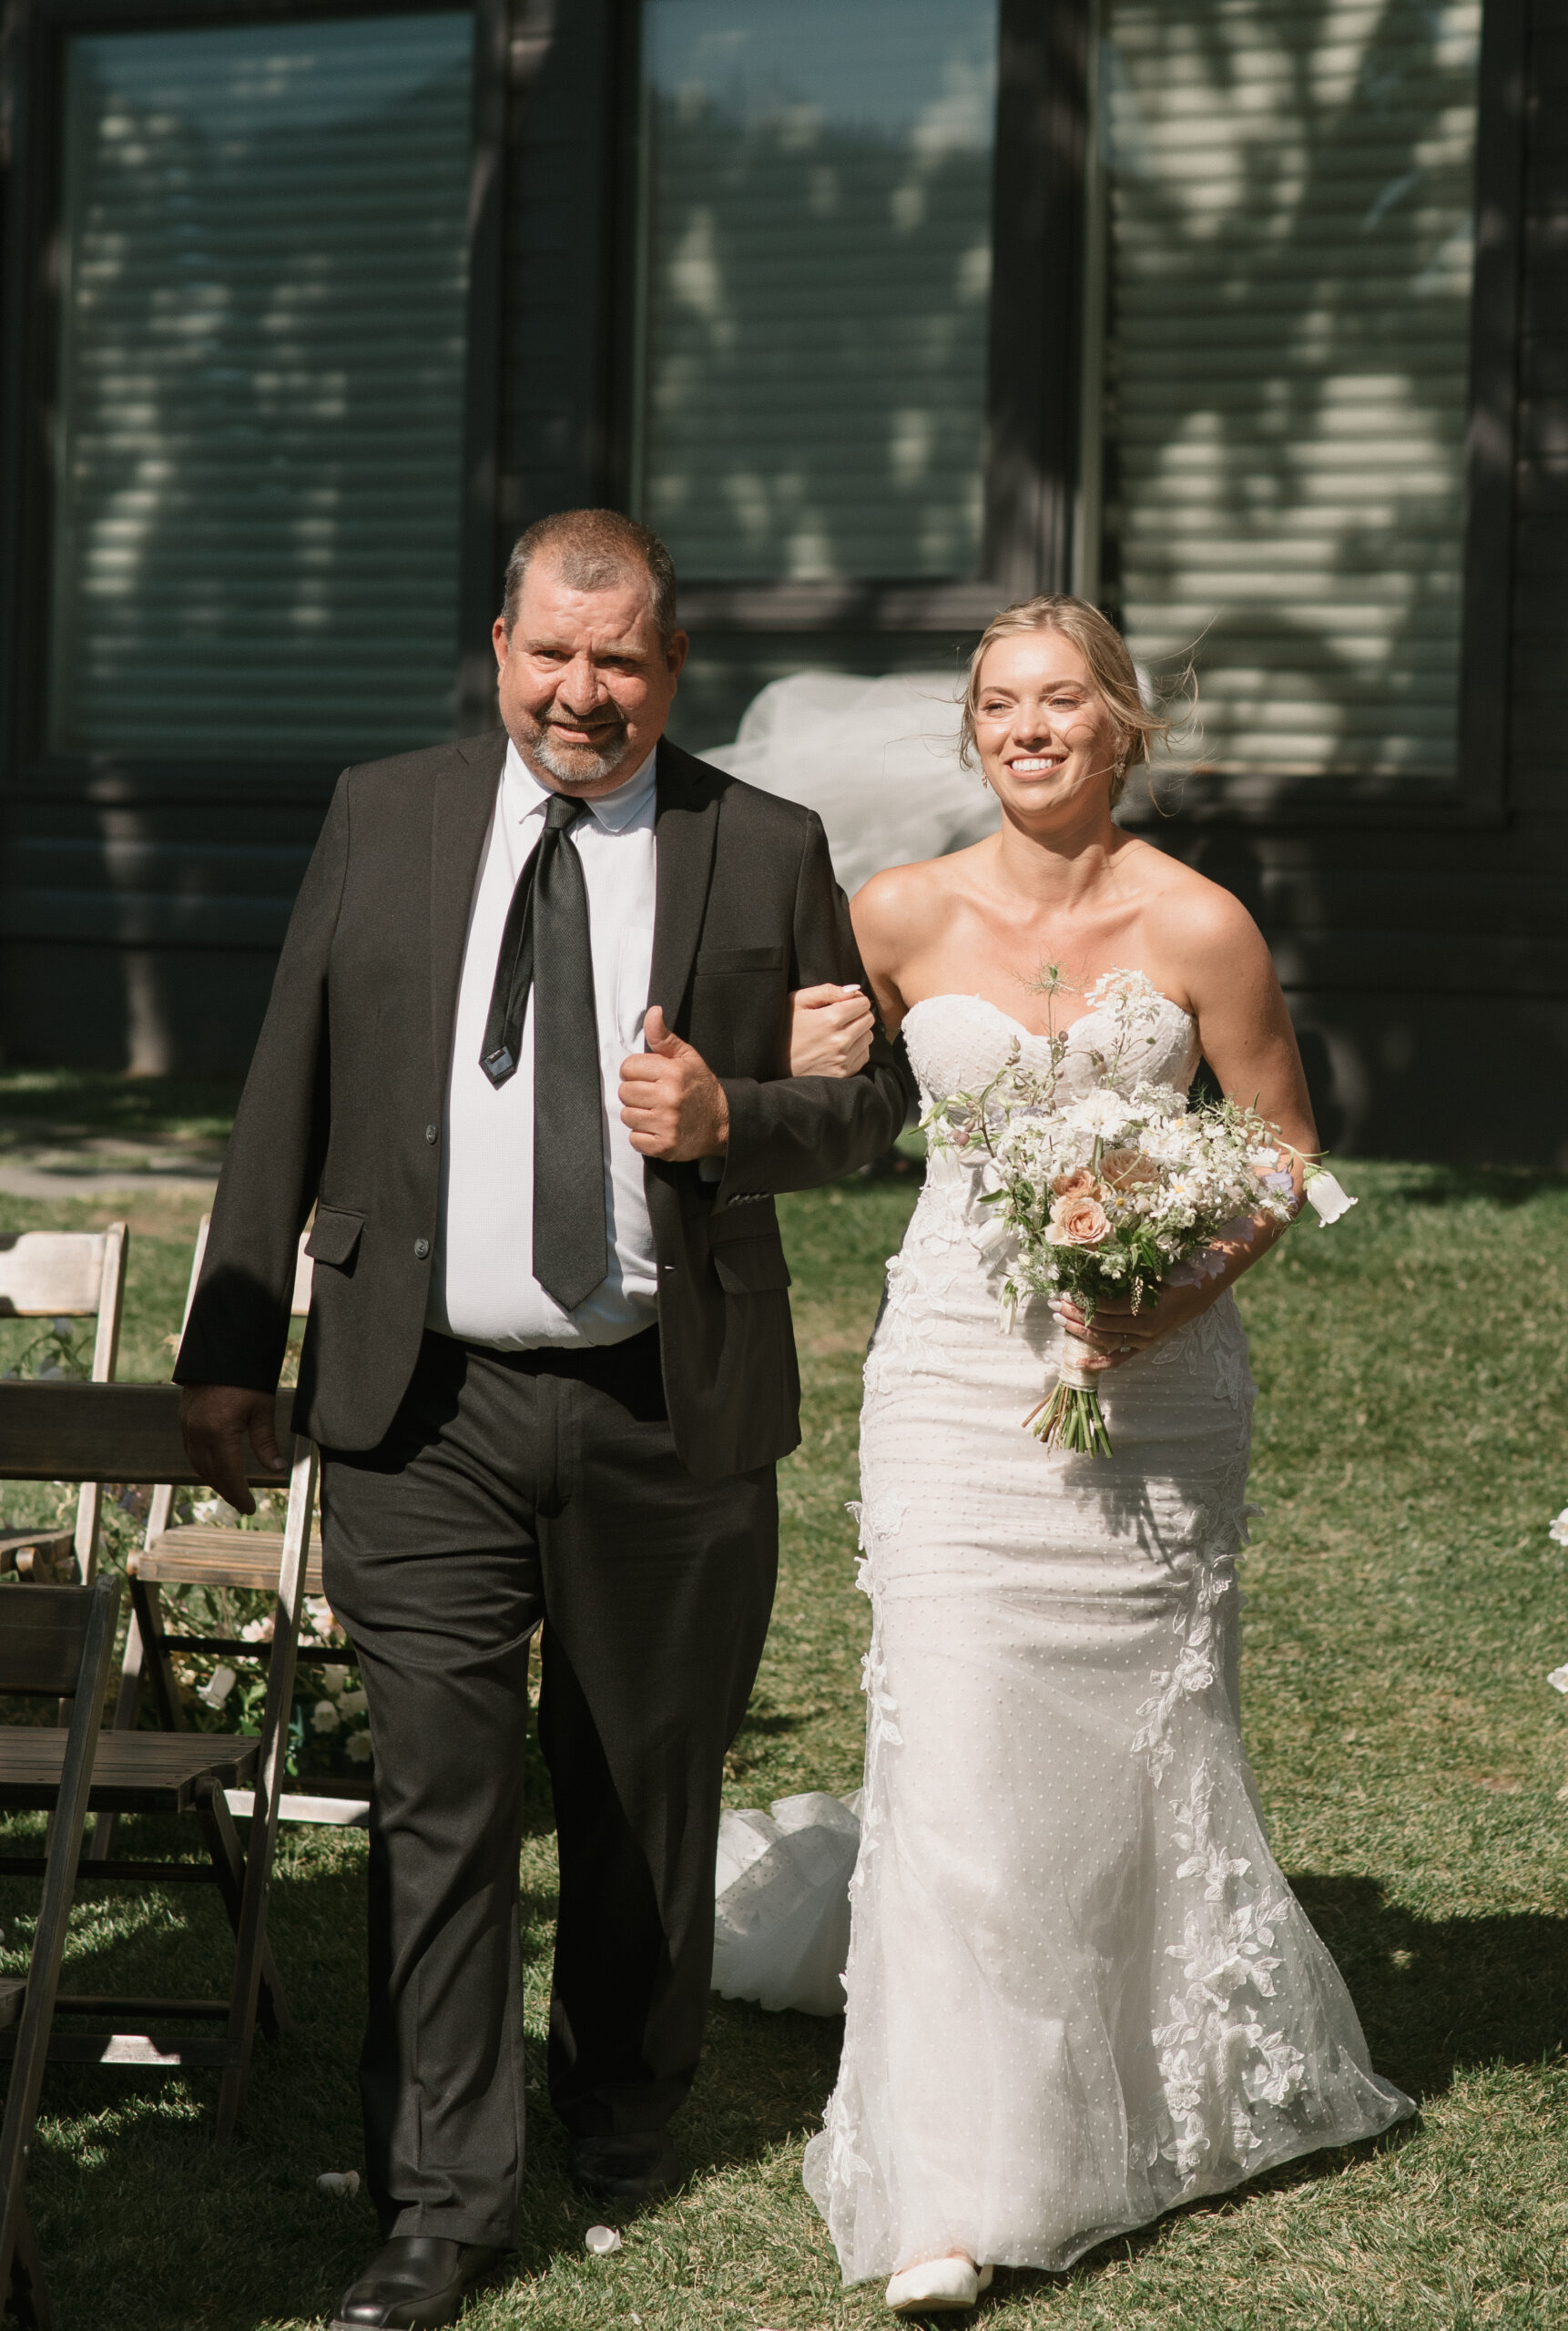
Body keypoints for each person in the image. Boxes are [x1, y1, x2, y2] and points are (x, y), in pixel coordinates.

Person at [173, 508, 910, 2331]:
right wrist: (228, 1337)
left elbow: (863, 1113)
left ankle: (622, 2092)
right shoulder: (385, 812)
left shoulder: (765, 844)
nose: (584, 693)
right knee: (440, 1791)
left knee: (639, 1778)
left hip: (665, 1400)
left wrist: (731, 1114)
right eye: (553, 655)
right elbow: (290, 1074)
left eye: (624, 661)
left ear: (673, 668)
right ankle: (440, 2192)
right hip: (416, 1400)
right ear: (500, 644)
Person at [790, 595, 1412, 2311]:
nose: (1030, 729)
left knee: (1137, 1740)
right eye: (1000, 703)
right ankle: (951, 2175)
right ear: (972, 731)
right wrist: (798, 1052)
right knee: (956, 1739)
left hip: (1157, 1396)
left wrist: (1175, 1278)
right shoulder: (893, 913)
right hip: (951, 1379)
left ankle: (1147, 2080)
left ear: (1123, 724)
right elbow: (820, 1097)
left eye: (1064, 701)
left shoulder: (1203, 925)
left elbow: (1287, 1153)